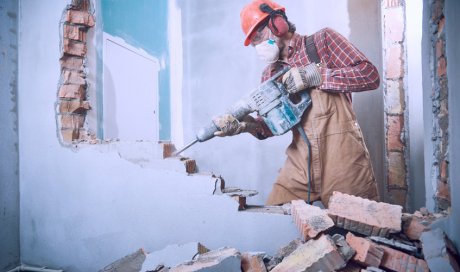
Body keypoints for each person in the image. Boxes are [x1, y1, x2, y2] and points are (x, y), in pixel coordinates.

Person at [212, 0, 380, 207]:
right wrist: (246, 126)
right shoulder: (270, 75)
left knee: (358, 227)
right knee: (273, 218)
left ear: (278, 23)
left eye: (259, 37)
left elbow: (370, 76)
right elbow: (273, 127)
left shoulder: (322, 42)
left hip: (342, 159)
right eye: (253, 43)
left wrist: (316, 75)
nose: (258, 47)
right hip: (301, 163)